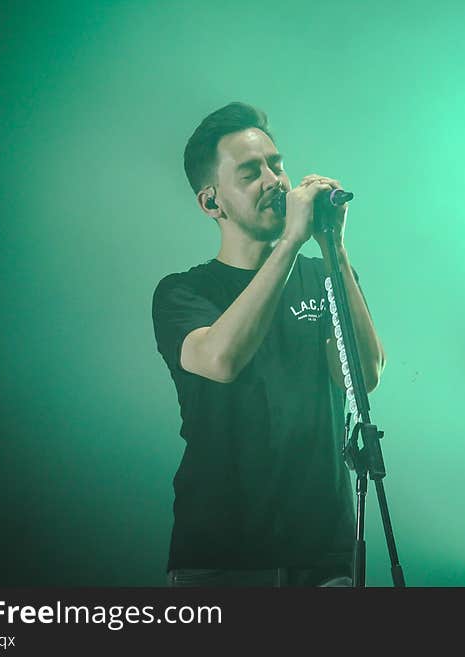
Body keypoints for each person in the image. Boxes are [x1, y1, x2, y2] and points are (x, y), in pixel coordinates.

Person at [152, 102, 385, 587]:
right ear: (212, 202)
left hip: (322, 555)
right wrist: (290, 245)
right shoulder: (183, 293)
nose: (275, 180)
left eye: (276, 164)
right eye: (250, 172)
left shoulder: (325, 275)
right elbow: (220, 358)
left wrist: (333, 248)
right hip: (222, 557)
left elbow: (361, 377)